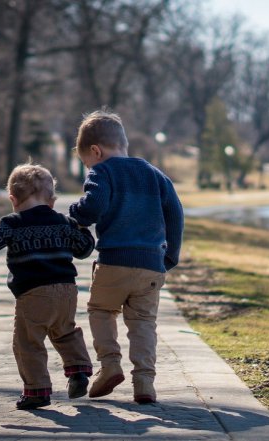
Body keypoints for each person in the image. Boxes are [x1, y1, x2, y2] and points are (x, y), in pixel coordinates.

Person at [69, 109, 184, 403]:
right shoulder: (154, 174)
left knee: (101, 311)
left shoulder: (102, 171)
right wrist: (170, 256)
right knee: (144, 322)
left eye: (86, 163)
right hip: (150, 265)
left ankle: (109, 365)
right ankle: (144, 382)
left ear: (96, 151)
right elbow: (175, 214)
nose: (88, 167)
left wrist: (75, 213)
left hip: (114, 262)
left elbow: (92, 208)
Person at [0, 163, 95, 410]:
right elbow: (84, 250)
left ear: (13, 199)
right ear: (52, 200)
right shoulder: (64, 222)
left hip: (33, 293)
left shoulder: (11, 223)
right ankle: (78, 370)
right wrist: (83, 229)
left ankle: (37, 391)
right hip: (67, 291)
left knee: (28, 342)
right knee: (65, 331)